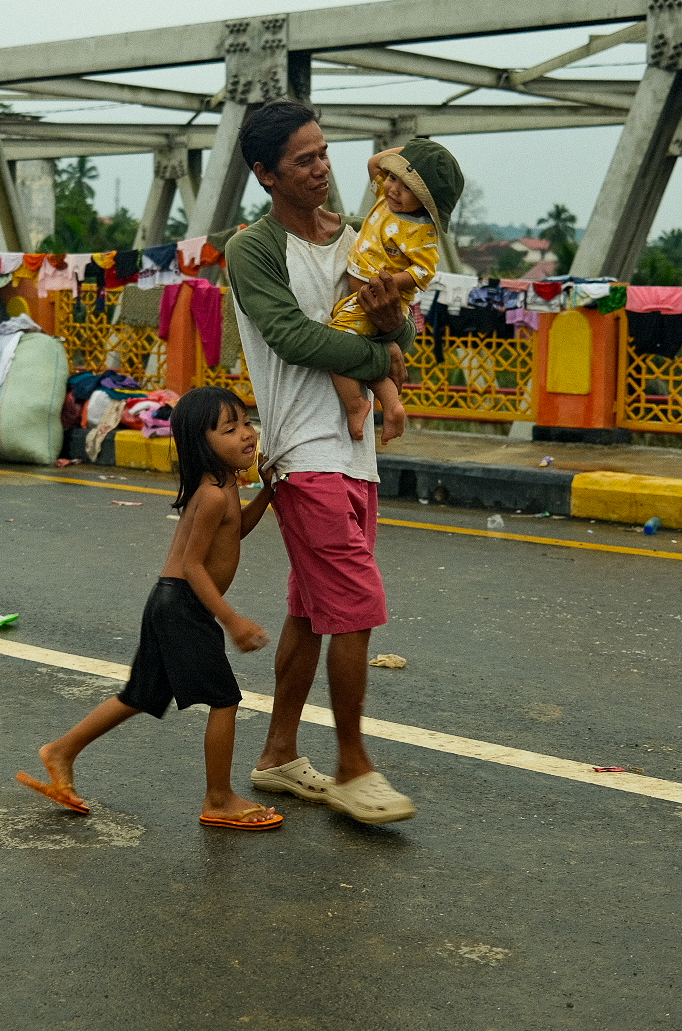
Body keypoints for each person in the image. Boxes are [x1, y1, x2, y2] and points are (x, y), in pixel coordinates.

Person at [224, 100, 419, 825]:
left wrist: (391, 324)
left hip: (356, 453)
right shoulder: (253, 248)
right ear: (265, 174)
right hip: (301, 453)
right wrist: (380, 362)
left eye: (324, 153)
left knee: (312, 611)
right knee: (354, 608)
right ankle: (352, 765)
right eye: (304, 160)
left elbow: (396, 330)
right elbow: (291, 337)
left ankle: (277, 754)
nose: (322, 169)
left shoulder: (358, 239)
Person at [15, 385, 284, 830]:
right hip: (183, 605)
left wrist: (268, 494)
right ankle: (218, 798)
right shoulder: (214, 493)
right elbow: (195, 567)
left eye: (247, 423)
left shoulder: (225, 486)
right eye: (230, 428)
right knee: (225, 700)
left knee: (140, 695)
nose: (247, 435)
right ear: (202, 443)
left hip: (169, 603)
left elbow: (232, 534)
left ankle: (60, 751)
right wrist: (231, 620)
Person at [327, 141, 463, 444]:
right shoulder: (385, 200)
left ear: (426, 202)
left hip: (376, 302)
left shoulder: (420, 230)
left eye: (408, 188)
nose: (394, 189)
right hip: (362, 301)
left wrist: (389, 282)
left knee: (335, 350)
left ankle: (356, 405)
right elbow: (376, 163)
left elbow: (423, 272)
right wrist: (417, 151)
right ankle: (392, 405)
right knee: (365, 358)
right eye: (393, 178)